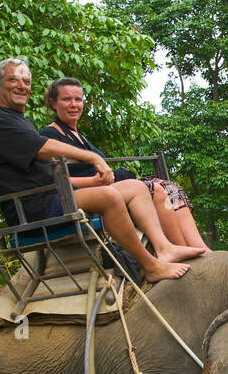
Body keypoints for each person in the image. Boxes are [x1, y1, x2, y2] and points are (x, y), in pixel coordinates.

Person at [0, 58, 203, 282]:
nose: (22, 86)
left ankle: (165, 248)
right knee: (109, 196)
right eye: (14, 80)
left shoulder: (18, 120)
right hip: (33, 207)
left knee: (136, 187)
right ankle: (150, 266)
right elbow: (42, 149)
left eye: (26, 81)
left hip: (53, 196)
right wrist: (92, 158)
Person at [41, 76, 209, 252]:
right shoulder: (50, 135)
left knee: (171, 188)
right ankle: (179, 248)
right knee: (155, 189)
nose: (74, 105)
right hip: (88, 195)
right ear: (54, 103)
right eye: (67, 99)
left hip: (105, 186)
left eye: (78, 99)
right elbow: (52, 180)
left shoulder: (78, 135)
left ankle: (200, 248)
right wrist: (92, 182)